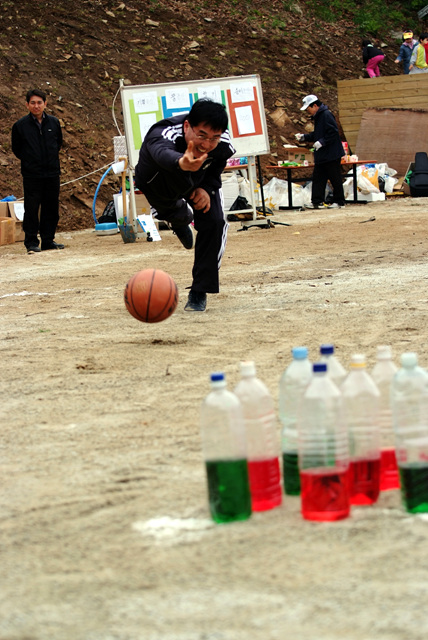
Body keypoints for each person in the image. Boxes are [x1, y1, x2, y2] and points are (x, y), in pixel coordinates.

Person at [135, 99, 235, 312]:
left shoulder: (222, 140)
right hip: (159, 181)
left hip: (198, 180)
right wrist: (181, 163)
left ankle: (199, 290)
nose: (206, 144)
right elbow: (161, 152)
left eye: (214, 138)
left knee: (215, 222)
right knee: (175, 212)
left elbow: (217, 164)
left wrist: (206, 188)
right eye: (202, 136)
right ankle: (179, 220)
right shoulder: (162, 133)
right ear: (187, 125)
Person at [11, 89, 64, 254]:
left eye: (39, 102)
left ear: (45, 104)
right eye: (33, 103)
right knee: (32, 209)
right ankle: (31, 242)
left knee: (51, 208)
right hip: (32, 175)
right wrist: (30, 161)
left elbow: (58, 143)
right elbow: (17, 149)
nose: (36, 106)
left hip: (52, 173)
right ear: (27, 105)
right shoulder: (20, 126)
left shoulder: (54, 123)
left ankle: (48, 240)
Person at [294, 94, 345, 210]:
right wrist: (304, 137)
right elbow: (317, 134)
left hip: (331, 154)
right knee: (318, 178)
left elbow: (333, 132)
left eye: (308, 108)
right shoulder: (318, 117)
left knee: (335, 178)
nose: (307, 111)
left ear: (315, 105)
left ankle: (339, 201)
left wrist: (322, 142)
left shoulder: (326, 115)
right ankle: (317, 201)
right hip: (322, 154)